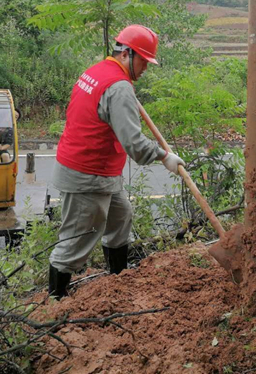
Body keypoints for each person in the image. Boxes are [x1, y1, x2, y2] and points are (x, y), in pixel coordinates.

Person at [48, 25, 185, 300]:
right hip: (87, 172)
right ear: (126, 54)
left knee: (121, 217)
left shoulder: (97, 72)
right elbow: (133, 144)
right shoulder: (118, 87)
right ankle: (55, 301)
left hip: (100, 169)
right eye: (144, 61)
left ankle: (118, 282)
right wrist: (164, 156)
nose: (145, 68)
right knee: (77, 239)